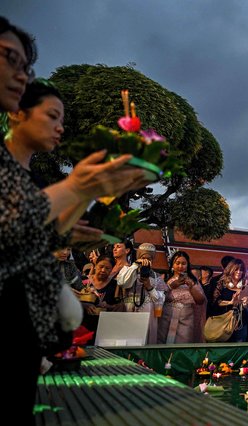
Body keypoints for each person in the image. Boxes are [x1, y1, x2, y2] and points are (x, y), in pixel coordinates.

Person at [0, 17, 149, 424]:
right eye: (9, 59)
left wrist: (68, 230)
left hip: (27, 314)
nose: (20, 75)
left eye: (25, 67)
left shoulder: (31, 176)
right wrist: (80, 187)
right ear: (18, 117)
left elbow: (25, 235)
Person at [116, 243, 168, 344]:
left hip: (148, 311)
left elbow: (161, 300)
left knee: (146, 338)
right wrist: (135, 265)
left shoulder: (156, 277)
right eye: (143, 258)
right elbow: (122, 283)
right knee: (129, 337)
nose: (146, 261)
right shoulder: (128, 270)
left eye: (149, 259)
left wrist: (149, 287)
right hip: (130, 308)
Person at [158, 251, 206, 343]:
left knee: (183, 343)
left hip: (186, 318)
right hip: (166, 316)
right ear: (172, 264)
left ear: (187, 265)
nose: (180, 266)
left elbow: (201, 301)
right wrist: (171, 286)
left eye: (183, 264)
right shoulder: (165, 278)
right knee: (163, 341)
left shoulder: (193, 280)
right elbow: (157, 297)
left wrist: (191, 287)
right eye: (177, 263)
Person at [208, 258, 248, 342]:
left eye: (241, 270)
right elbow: (215, 302)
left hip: (240, 324)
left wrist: (246, 303)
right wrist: (231, 302)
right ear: (231, 270)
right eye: (236, 269)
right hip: (222, 322)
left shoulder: (245, 286)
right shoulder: (221, 284)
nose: (239, 272)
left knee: (238, 350)